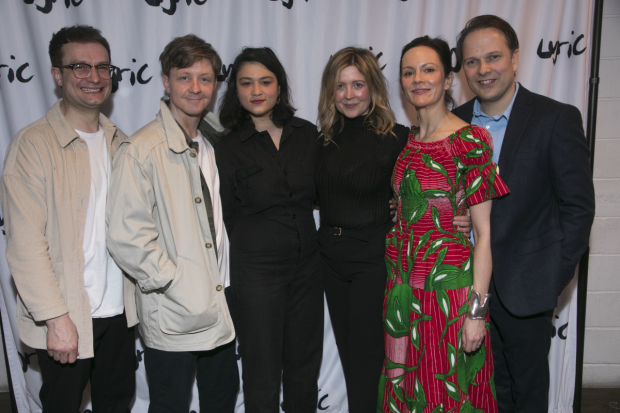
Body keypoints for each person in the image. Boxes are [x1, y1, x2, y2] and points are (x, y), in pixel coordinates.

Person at [315, 47, 472, 413]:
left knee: (369, 361)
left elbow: (437, 177)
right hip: (330, 260)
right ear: (330, 91)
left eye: (358, 84)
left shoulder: (400, 138)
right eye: (340, 86)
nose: (350, 94)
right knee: (349, 358)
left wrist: (460, 209)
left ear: (373, 88)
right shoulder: (321, 140)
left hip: (373, 260)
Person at [452, 15, 595, 413]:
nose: (483, 70)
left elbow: (579, 208)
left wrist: (551, 272)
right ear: (462, 68)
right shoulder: (452, 123)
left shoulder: (555, 118)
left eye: (493, 57)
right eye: (472, 62)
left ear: (515, 58)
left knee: (527, 393)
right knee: (478, 393)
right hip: (462, 285)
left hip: (526, 287)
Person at [0, 25, 137, 412]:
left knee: (116, 404)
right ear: (57, 75)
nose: (93, 77)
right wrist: (55, 319)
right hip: (67, 315)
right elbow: (25, 245)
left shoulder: (121, 142)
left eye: (102, 67)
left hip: (119, 314)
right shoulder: (32, 146)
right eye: (79, 66)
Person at [106, 34, 237, 413]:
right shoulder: (142, 149)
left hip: (220, 298)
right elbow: (126, 235)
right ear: (166, 82)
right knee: (170, 404)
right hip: (173, 304)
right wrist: (174, 280)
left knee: (221, 400)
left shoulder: (214, 144)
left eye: (205, 78)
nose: (196, 88)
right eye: (184, 77)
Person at [379, 36, 509, 412]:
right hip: (402, 295)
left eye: (429, 69)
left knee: (446, 396)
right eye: (408, 72)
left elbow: (484, 234)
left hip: (447, 299)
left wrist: (476, 314)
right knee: (404, 396)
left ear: (448, 80)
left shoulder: (469, 140)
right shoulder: (407, 141)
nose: (418, 79)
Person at [215, 47, 323, 413]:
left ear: (279, 86)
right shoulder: (226, 147)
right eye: (246, 83)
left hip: (308, 269)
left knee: (304, 369)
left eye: (265, 81)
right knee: (261, 375)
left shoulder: (307, 134)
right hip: (256, 275)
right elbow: (223, 217)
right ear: (236, 91)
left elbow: (329, 191)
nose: (256, 90)